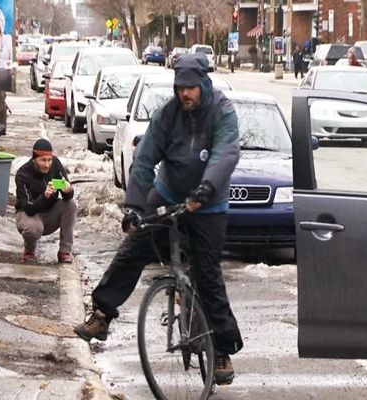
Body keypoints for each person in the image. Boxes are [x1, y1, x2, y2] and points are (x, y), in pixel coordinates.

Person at [73, 53, 243, 385]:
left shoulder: (222, 111)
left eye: (191, 88)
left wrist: (205, 190)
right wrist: (134, 206)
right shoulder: (168, 115)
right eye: (180, 88)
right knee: (134, 248)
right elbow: (146, 157)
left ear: (203, 83)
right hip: (167, 195)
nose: (185, 94)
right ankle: (102, 315)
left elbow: (226, 153)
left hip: (208, 206)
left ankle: (221, 349)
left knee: (208, 276)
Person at [14, 139, 77, 263]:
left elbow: (68, 196)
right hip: (29, 216)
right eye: (43, 160)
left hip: (50, 214)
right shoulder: (23, 174)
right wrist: (45, 196)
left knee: (71, 205)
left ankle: (65, 251)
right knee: (33, 228)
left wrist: (67, 190)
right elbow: (28, 208)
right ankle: (29, 250)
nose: (47, 164)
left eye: (49, 160)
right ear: (34, 159)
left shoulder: (56, 165)